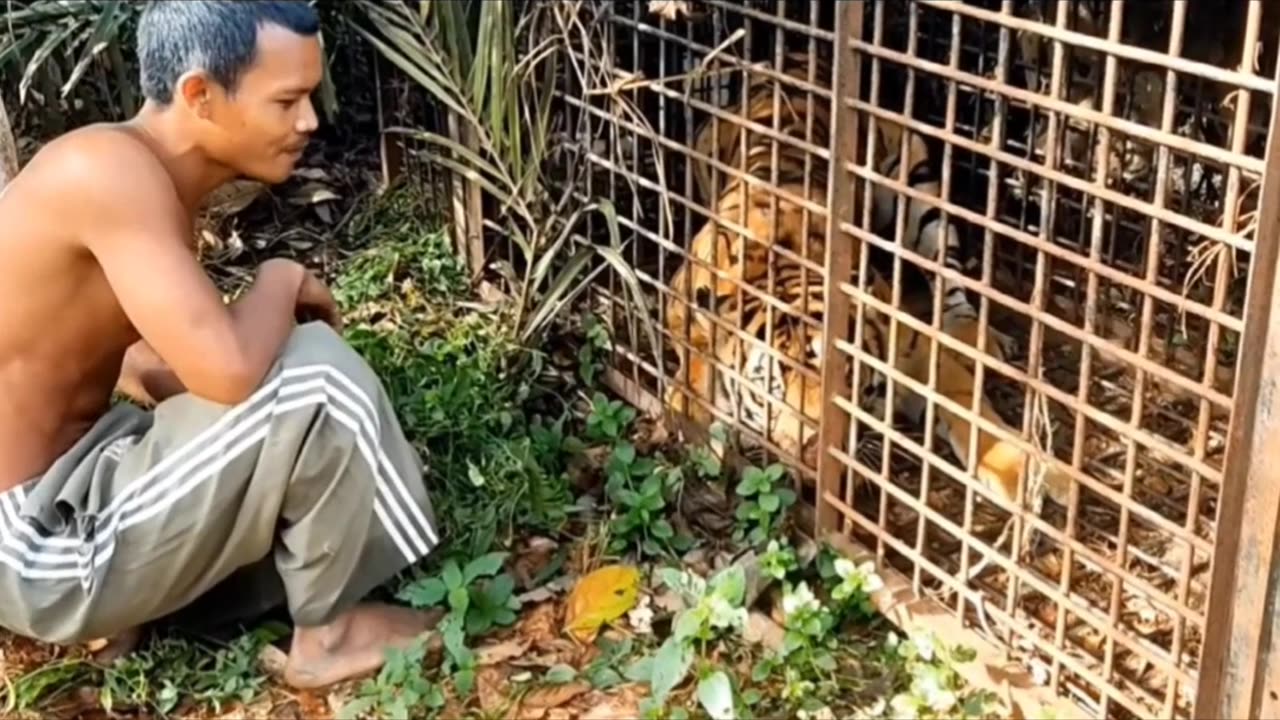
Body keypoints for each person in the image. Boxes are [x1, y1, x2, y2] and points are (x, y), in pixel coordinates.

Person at [0, 0, 443, 689]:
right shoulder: (110, 175)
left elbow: (142, 362)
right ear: (200, 95)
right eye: (287, 100)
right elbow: (231, 372)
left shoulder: (125, 172)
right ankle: (327, 636)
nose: (309, 122)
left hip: (71, 486)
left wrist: (267, 435)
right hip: (35, 543)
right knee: (315, 379)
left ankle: (139, 606)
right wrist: (279, 278)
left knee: (291, 392)